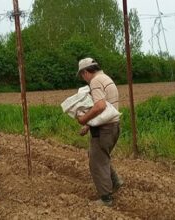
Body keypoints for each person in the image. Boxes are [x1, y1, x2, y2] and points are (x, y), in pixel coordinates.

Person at [76, 58, 124, 206]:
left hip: (104, 130)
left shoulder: (95, 82)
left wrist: (84, 119)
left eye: (82, 75)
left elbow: (100, 106)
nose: (83, 79)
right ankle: (115, 182)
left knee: (96, 163)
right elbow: (108, 109)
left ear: (85, 72)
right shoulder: (106, 78)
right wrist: (88, 126)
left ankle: (106, 198)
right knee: (100, 156)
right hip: (113, 127)